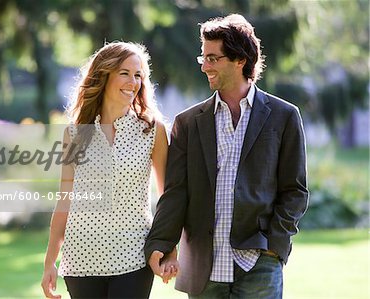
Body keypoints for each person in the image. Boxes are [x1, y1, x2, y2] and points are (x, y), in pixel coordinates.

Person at [145, 14, 309, 299]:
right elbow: (175, 191)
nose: (205, 66)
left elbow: (295, 190)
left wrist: (275, 245)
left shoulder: (284, 116)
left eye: (213, 58)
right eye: (203, 58)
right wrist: (161, 241)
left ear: (240, 60)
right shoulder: (187, 123)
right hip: (203, 268)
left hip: (259, 262)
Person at [41, 41, 172, 299]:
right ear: (104, 75)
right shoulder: (74, 134)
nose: (133, 82)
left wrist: (168, 248)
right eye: (124, 73)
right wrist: (49, 262)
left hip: (133, 255)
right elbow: (64, 201)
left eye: (138, 76)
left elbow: (168, 196)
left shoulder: (153, 131)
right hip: (81, 259)